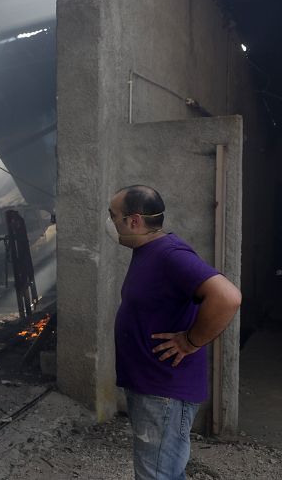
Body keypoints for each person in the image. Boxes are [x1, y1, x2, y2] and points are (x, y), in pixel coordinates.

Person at [107, 185, 241, 480]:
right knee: (162, 472)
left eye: (112, 215)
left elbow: (228, 297)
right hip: (152, 386)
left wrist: (190, 341)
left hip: (163, 392)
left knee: (158, 475)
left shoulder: (169, 255)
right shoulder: (148, 251)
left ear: (134, 221)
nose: (110, 222)